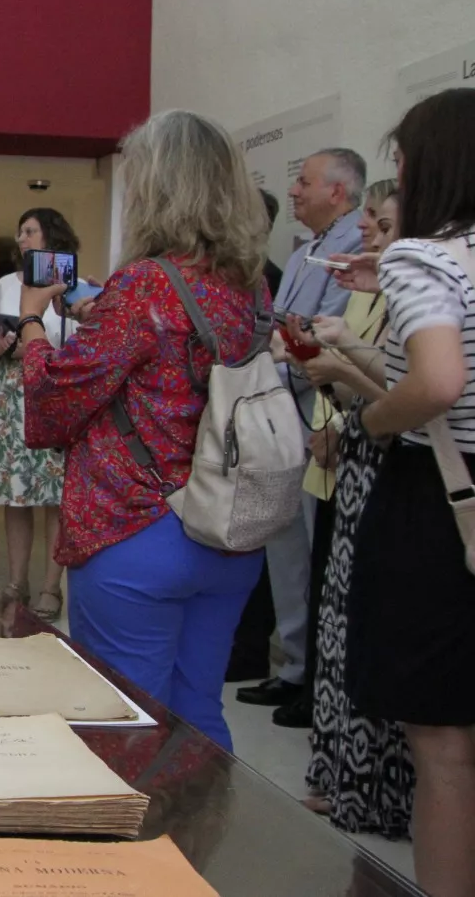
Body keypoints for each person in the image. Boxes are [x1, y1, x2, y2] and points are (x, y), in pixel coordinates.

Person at [18, 109, 268, 751]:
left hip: (136, 529)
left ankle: (128, 852)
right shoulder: (249, 287)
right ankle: (195, 849)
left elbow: (53, 405)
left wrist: (31, 328)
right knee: (198, 719)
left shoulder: (145, 284)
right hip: (228, 529)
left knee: (122, 723)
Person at [342, 88, 475, 896]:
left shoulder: (425, 256)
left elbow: (437, 380)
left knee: (447, 750)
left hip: (443, 506)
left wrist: (377, 419)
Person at [283, 180, 413, 836]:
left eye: (384, 224)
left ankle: (371, 787)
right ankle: (339, 776)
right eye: (369, 220)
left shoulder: (421, 303)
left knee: (368, 633)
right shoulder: (374, 295)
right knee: (339, 631)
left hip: (388, 473)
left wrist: (336, 367)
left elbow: (404, 396)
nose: (370, 232)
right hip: (351, 458)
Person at [237, 148, 365, 714]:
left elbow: (318, 335)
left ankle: (315, 675)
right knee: (285, 544)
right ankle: (291, 664)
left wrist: (284, 342)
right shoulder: (306, 251)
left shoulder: (350, 253)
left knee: (315, 550)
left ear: (337, 191)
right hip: (282, 415)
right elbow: (278, 328)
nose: (293, 192)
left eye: (304, 182)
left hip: (321, 415)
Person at [0, 208, 82, 621]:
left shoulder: (71, 288)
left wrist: (39, 346)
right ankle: (17, 580)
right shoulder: (4, 284)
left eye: (30, 231)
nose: (21, 239)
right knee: (16, 494)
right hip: (10, 393)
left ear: (51, 236)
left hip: (53, 392)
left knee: (57, 495)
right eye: (19, 231)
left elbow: (82, 341)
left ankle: (52, 588)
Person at [225, 189, 287, 682]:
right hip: (242, 435)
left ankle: (250, 654)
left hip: (258, 434)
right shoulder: (234, 279)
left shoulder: (262, 282)